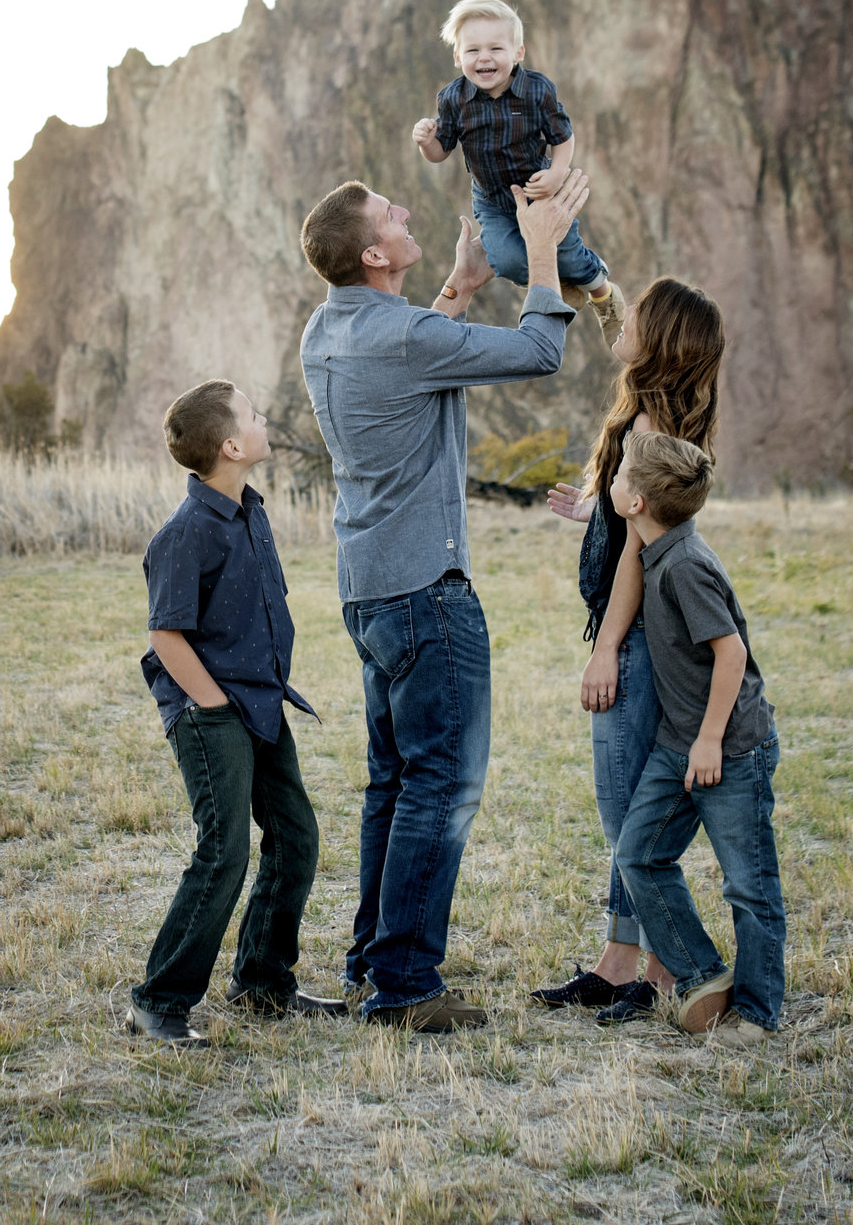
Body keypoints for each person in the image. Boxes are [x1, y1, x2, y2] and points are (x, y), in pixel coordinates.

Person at [299, 171, 588, 1032]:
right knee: (441, 786)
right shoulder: (400, 333)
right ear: (375, 253)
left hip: (368, 589)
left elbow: (412, 346)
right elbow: (540, 351)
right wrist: (539, 251)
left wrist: (458, 287)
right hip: (428, 588)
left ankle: (374, 965)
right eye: (392, 214)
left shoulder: (326, 329)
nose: (407, 211)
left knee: (393, 782)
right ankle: (407, 989)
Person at [126, 380, 346, 1047]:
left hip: (263, 699)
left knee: (296, 837)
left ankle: (262, 981)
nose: (264, 418)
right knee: (224, 850)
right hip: (210, 709)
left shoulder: (251, 510)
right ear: (229, 444)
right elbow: (167, 634)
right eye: (253, 414)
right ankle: (158, 999)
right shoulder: (186, 531)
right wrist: (215, 703)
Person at [533, 278, 726, 1022]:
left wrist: (607, 647)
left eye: (639, 316)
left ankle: (670, 968)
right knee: (631, 810)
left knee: (627, 815)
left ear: (664, 342)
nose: (626, 322)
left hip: (638, 637)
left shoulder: (649, 428)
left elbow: (637, 559)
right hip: (646, 635)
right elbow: (636, 522)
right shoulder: (664, 422)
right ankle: (620, 963)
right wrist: (593, 508)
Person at [610, 431, 784, 1045]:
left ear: (637, 503)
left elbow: (731, 653)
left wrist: (709, 741)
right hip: (677, 743)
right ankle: (704, 976)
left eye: (623, 473)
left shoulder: (685, 564)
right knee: (639, 854)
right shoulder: (655, 546)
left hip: (729, 748)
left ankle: (759, 1013)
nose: (615, 476)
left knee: (749, 885)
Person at [411, 0, 624, 346]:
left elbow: (563, 137)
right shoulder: (452, 99)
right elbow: (440, 153)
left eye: (496, 49)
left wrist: (556, 174)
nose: (484, 58)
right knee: (508, 261)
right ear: (457, 56)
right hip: (492, 200)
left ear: (518, 53)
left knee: (568, 252)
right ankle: (558, 283)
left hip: (538, 189)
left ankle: (603, 293)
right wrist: (426, 142)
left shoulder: (537, 91)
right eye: (472, 51)